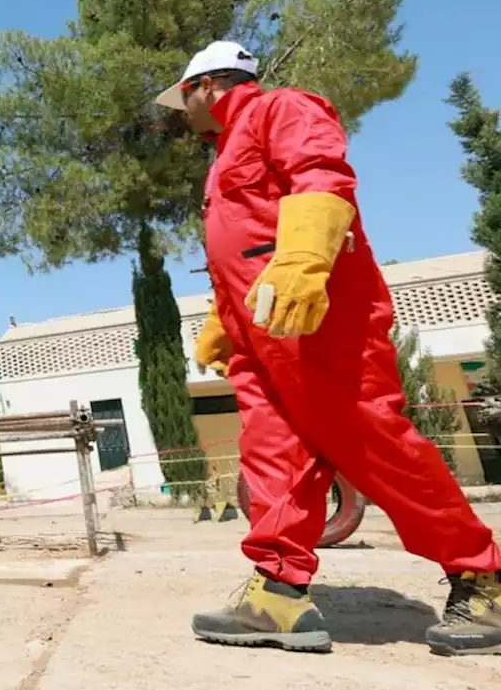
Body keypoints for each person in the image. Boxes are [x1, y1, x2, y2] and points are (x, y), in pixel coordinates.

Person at [155, 41, 501, 657]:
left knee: (369, 437)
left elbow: (320, 177)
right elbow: (247, 245)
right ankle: (276, 593)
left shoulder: (279, 109)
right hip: (262, 328)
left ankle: (483, 577)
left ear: (203, 86)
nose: (180, 115)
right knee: (273, 451)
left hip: (317, 316)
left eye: (182, 100)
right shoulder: (224, 154)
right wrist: (223, 319)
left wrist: (307, 258)